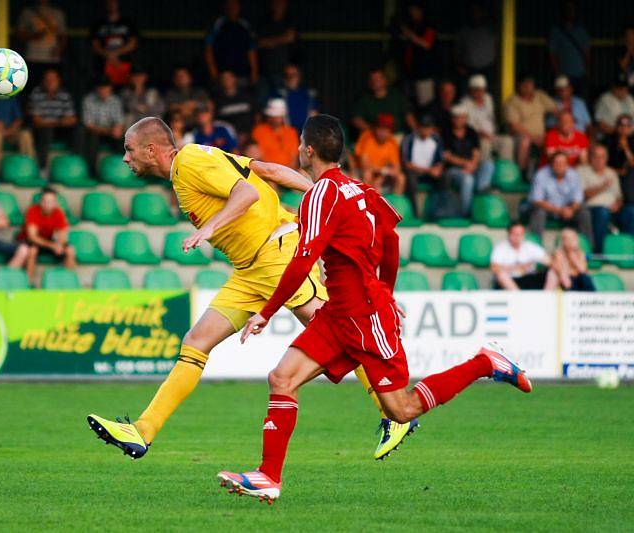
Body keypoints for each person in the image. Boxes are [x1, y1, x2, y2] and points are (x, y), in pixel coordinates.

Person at [217, 114, 531, 503]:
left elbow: (303, 260)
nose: (298, 148)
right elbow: (392, 241)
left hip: (365, 317)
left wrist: (266, 311)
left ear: (309, 150)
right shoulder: (362, 190)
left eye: (300, 142)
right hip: (340, 314)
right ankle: (268, 477)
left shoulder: (320, 194)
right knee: (282, 378)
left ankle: (485, 363)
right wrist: (386, 288)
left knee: (402, 410)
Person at [87, 116, 414, 463]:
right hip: (249, 270)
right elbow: (266, 171)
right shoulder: (197, 158)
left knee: (343, 328)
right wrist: (318, 190)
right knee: (196, 342)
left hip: (274, 256)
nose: (125, 158)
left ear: (151, 150)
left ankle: (393, 412)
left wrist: (209, 228)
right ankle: (142, 430)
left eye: (129, 149)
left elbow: (248, 191)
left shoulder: (190, 163)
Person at [528, 152, 593, 245]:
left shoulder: (574, 175)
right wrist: (560, 211)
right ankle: (536, 246)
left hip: (567, 209)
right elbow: (537, 200)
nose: (560, 166)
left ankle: (586, 247)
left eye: (563, 163)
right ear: (551, 164)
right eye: (556, 163)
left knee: (584, 212)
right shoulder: (541, 174)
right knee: (539, 212)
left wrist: (571, 210)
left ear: (567, 165)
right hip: (548, 209)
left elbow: (578, 199)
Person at [19, 186, 76, 286]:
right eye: (45, 201)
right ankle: (27, 283)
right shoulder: (32, 210)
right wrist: (52, 245)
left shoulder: (58, 212)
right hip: (32, 241)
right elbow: (32, 236)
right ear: (40, 202)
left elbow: (63, 235)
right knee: (32, 251)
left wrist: (59, 244)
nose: (48, 204)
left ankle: (67, 284)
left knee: (70, 250)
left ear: (55, 203)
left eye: (51, 201)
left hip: (48, 240)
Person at [579, 144, 631, 253]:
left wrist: (618, 204)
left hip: (613, 209)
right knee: (602, 212)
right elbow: (582, 195)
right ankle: (599, 252)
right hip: (592, 209)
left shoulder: (611, 173)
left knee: (630, 212)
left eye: (602, 157)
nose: (599, 160)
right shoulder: (581, 171)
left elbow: (619, 196)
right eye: (596, 156)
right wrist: (602, 187)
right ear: (590, 158)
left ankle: (630, 249)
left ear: (606, 159)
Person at [442, 104, 492, 216]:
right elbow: (447, 156)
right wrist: (465, 164)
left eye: (462, 117)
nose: (459, 120)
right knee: (468, 180)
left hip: (471, 167)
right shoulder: (446, 132)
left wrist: (473, 165)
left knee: (488, 164)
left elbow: (476, 152)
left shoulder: (471, 132)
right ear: (452, 118)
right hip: (453, 170)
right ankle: (465, 213)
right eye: (457, 117)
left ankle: (481, 189)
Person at [503, 75, 558, 171]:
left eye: (530, 83)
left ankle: (554, 169)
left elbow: (556, 110)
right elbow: (514, 126)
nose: (528, 85)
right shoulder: (512, 102)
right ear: (518, 85)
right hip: (521, 136)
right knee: (525, 141)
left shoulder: (540, 95)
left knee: (555, 137)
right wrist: (533, 137)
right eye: (524, 83)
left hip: (541, 135)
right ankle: (521, 172)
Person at [29, 69, 78, 171]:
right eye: (47, 80)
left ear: (58, 81)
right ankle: (42, 168)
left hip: (60, 128)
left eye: (53, 80)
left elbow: (72, 119)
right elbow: (37, 120)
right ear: (43, 81)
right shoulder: (36, 93)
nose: (50, 82)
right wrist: (59, 121)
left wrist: (55, 122)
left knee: (78, 131)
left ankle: (76, 166)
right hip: (43, 129)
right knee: (46, 132)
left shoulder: (64, 95)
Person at [459, 74, 514, 162]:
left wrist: (492, 134)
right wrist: (482, 134)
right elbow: (468, 126)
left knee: (507, 141)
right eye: (476, 90)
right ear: (470, 90)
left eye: (482, 90)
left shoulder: (488, 99)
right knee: (485, 144)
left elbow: (491, 119)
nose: (479, 93)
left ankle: (504, 171)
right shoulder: (464, 103)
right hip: (476, 137)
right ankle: (485, 172)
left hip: (491, 135)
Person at [0, 91, 35, 175]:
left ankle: (29, 168)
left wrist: (9, 130)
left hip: (9, 131)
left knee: (25, 134)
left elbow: (18, 119)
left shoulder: (10, 98)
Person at [204, 0, 258, 85]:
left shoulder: (245, 25)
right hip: (222, 73)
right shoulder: (217, 24)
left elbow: (251, 50)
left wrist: (254, 71)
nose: (232, 8)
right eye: (229, 5)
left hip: (242, 73)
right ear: (225, 7)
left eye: (234, 5)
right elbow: (208, 49)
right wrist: (213, 72)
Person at [400, 114, 444, 217]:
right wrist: (428, 170)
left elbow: (440, 161)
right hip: (414, 172)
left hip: (430, 173)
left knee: (445, 178)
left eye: (428, 128)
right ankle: (416, 214)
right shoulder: (409, 139)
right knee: (410, 179)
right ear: (418, 128)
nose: (425, 131)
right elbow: (407, 164)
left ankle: (438, 212)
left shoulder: (436, 139)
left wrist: (438, 169)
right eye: (423, 128)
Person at [397, 3, 439, 108]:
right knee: (409, 104)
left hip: (423, 74)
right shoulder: (412, 24)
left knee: (425, 105)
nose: (412, 13)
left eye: (414, 10)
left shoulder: (428, 25)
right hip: (409, 73)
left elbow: (427, 44)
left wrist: (409, 34)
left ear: (420, 11)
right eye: (410, 11)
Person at [16, 0, 67, 85]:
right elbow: (19, 34)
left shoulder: (58, 13)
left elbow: (63, 36)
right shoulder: (27, 13)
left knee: (52, 84)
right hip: (33, 57)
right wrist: (34, 36)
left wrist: (59, 49)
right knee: (32, 84)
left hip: (52, 57)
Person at [490, 221, 553, 290]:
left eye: (520, 234)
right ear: (509, 234)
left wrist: (538, 263)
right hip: (510, 279)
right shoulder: (500, 248)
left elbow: (549, 261)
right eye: (515, 234)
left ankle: (546, 298)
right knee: (501, 275)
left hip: (528, 278)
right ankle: (519, 298)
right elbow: (494, 268)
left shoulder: (530, 246)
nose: (518, 237)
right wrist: (517, 267)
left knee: (552, 272)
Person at [90, 0, 139, 87]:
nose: (112, 4)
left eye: (114, 2)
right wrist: (108, 55)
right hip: (104, 65)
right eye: (109, 2)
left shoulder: (127, 22)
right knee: (104, 89)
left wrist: (115, 53)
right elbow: (95, 45)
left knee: (123, 91)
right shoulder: (99, 24)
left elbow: (133, 43)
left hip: (123, 64)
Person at [352, 68, 415, 135]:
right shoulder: (364, 99)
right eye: (372, 79)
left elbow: (409, 115)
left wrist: (416, 131)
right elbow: (356, 119)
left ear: (385, 80)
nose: (375, 81)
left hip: (396, 135)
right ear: (369, 82)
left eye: (378, 78)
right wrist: (373, 130)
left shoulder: (397, 95)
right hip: (374, 137)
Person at [354, 115, 404, 194]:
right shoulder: (367, 137)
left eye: (386, 129)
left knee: (401, 178)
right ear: (375, 128)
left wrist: (382, 176)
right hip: (363, 172)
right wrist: (383, 171)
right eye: (380, 128)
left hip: (382, 174)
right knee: (367, 174)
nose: (382, 132)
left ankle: (395, 203)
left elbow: (397, 168)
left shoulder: (392, 142)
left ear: (390, 131)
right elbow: (365, 166)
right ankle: (369, 201)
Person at [548, 1, 590, 95]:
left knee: (580, 100)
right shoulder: (556, 31)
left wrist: (587, 70)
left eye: (572, 9)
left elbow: (586, 52)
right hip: (563, 74)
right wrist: (557, 73)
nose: (570, 12)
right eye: (567, 9)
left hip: (580, 74)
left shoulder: (581, 31)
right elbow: (552, 54)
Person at [81, 76, 125, 163]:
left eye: (106, 88)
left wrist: (118, 129)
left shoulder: (115, 100)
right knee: (92, 139)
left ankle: (121, 168)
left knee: (122, 139)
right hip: (95, 132)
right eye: (101, 88)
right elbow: (88, 125)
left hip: (110, 132)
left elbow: (119, 121)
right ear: (96, 89)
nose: (103, 91)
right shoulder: (88, 99)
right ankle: (92, 170)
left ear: (110, 88)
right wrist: (107, 131)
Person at [454, 3, 497, 89]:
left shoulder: (490, 29)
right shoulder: (464, 31)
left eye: (478, 12)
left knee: (487, 96)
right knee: (467, 94)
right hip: (469, 70)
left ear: (482, 13)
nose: (475, 15)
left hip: (487, 69)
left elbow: (497, 46)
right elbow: (456, 50)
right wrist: (458, 66)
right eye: (473, 12)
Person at [256, 0, 296, 89]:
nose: (279, 6)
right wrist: (281, 39)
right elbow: (259, 43)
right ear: (272, 5)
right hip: (264, 70)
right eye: (276, 3)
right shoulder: (264, 21)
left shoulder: (288, 20)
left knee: (282, 100)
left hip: (282, 70)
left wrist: (271, 41)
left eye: (281, 3)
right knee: (263, 101)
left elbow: (290, 37)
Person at [252, 99, 300, 168]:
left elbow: (294, 157)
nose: (275, 119)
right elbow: (256, 155)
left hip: (287, 171)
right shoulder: (259, 130)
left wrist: (288, 173)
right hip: (265, 170)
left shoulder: (291, 132)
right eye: (272, 116)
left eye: (277, 116)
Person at [272, 64, 318, 134]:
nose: (290, 78)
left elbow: (314, 116)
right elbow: (274, 118)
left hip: (305, 136)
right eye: (287, 75)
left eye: (293, 75)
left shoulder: (308, 94)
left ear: (299, 76)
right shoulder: (278, 94)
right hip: (285, 135)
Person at [214, 70, 255, 144]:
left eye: (229, 77)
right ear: (221, 81)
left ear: (235, 79)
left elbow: (256, 116)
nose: (227, 80)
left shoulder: (246, 95)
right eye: (224, 78)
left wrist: (249, 134)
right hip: (229, 138)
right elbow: (218, 122)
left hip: (250, 135)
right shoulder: (217, 100)